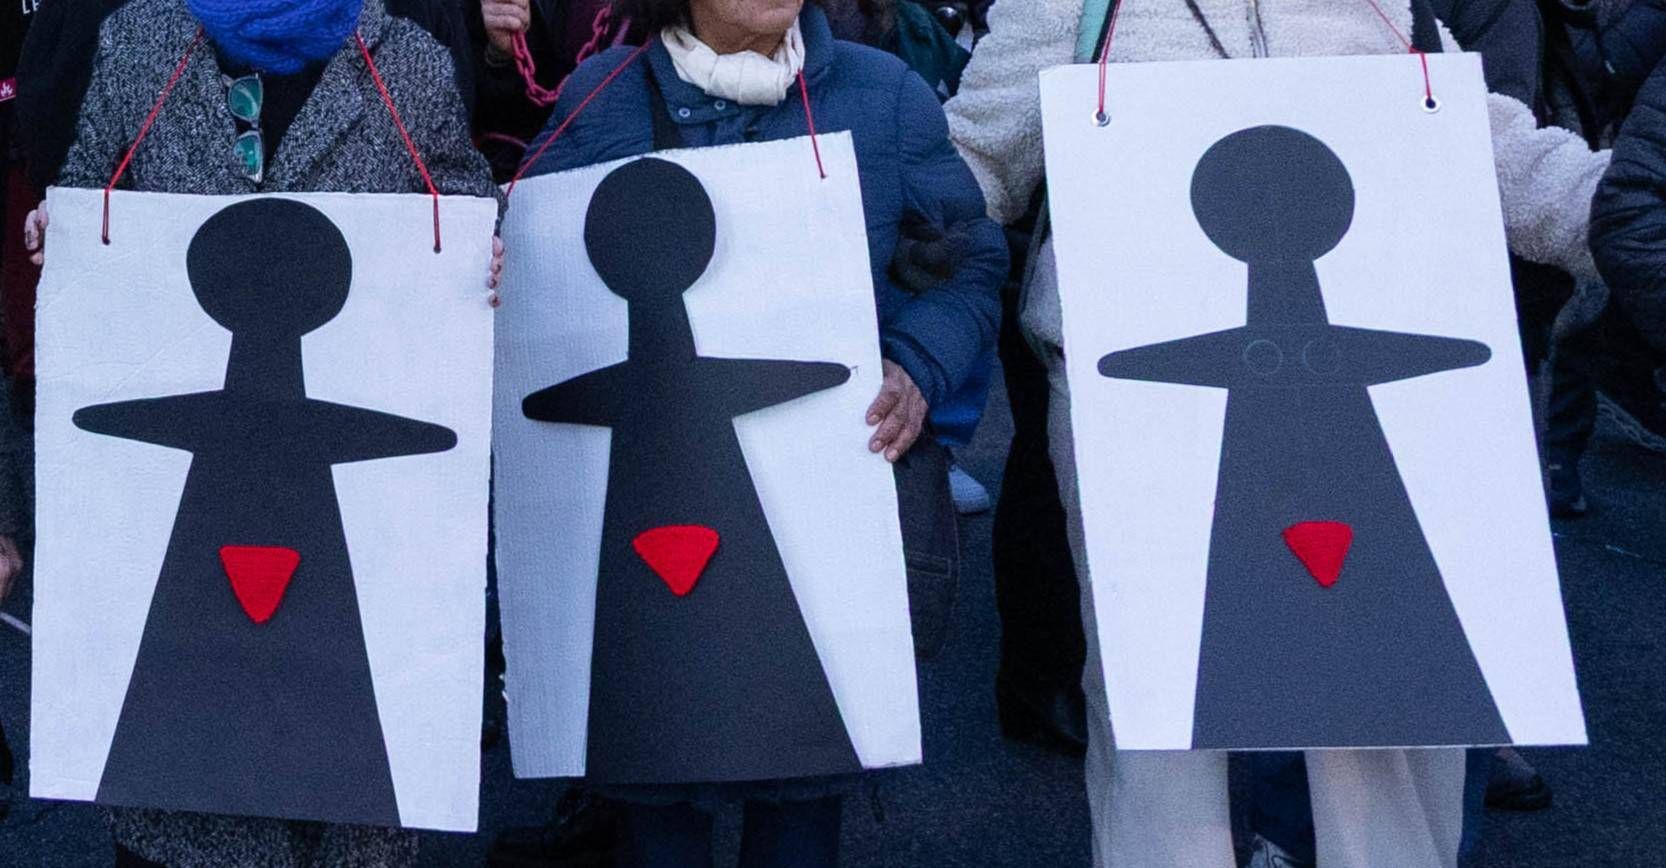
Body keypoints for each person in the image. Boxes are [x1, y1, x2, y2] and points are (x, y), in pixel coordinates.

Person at [944, 0, 1610, 866]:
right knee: (1161, 716)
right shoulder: (1077, 4)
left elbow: (1491, 147)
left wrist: (1627, 209)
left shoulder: (1383, 4)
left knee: (1384, 709)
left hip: (1362, 414)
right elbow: (971, 162)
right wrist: (875, 232)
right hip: (1134, 414)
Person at [518, 0, 1003, 863]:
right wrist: (497, 260)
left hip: (828, 517)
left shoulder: (884, 95)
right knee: (658, 792)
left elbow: (970, 264)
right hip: (652, 519)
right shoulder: (601, 101)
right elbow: (531, 270)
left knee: (804, 785)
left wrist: (916, 367)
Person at [21, 0, 501, 864]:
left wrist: (485, 255)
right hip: (179, 616)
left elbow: (462, 209)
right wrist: (65, 231)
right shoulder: (142, 41)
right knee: (187, 783)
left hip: (362, 566)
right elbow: (91, 184)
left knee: (341, 782)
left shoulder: (409, 64)